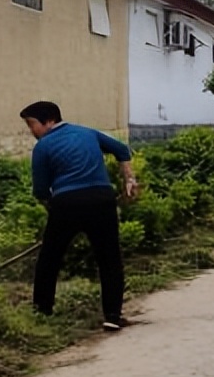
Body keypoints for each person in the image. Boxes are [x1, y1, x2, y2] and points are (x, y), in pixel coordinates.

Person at [19, 101, 138, 331]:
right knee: (109, 258)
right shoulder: (87, 133)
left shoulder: (43, 147)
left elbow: (41, 191)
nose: (31, 131)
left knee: (49, 259)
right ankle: (113, 315)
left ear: (49, 121)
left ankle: (42, 312)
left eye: (32, 124)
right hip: (102, 200)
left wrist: (54, 213)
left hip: (67, 204)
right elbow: (122, 151)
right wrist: (129, 180)